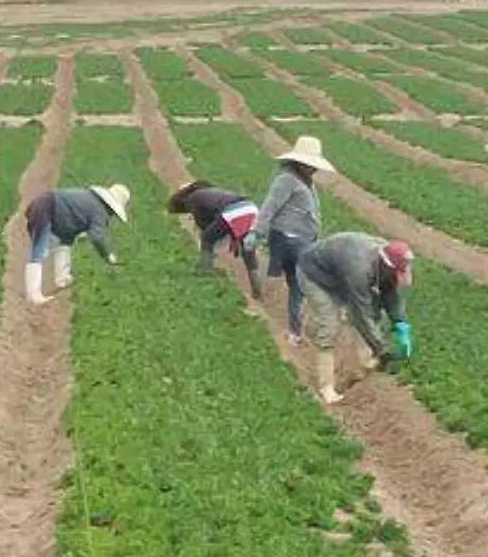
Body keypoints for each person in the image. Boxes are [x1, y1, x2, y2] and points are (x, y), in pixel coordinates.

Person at [296, 232, 414, 404]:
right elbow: (361, 314)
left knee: (370, 313)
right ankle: (326, 387)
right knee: (330, 325)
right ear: (387, 266)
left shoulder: (390, 260)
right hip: (315, 275)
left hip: (339, 271)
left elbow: (391, 293)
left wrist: (401, 323)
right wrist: (382, 349)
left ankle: (363, 364)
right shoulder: (359, 269)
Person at [258, 135, 333, 346]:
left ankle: (296, 331)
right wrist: (258, 232)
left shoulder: (307, 182)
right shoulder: (286, 179)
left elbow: (312, 213)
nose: (313, 169)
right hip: (288, 239)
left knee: (297, 285)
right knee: (302, 283)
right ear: (299, 162)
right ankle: (301, 329)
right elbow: (270, 206)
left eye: (313, 165)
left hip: (304, 239)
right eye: (309, 165)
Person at [22, 183, 130, 306]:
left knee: (66, 240)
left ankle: (62, 279)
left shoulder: (91, 200)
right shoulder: (100, 211)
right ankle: (33, 295)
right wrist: (108, 255)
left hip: (49, 208)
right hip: (46, 208)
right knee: (40, 250)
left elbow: (74, 221)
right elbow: (97, 237)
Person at [168, 179, 264, 298]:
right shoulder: (209, 193)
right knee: (247, 248)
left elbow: (203, 224)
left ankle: (205, 268)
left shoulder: (192, 199)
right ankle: (256, 284)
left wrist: (208, 241)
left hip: (233, 212)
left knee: (207, 238)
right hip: (251, 208)